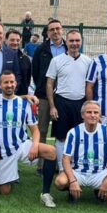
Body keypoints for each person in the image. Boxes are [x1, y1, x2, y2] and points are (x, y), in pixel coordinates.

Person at [0, 71, 58, 207]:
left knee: (51, 151)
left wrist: (35, 145)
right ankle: (5, 173)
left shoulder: (24, 104)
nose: (9, 85)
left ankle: (46, 193)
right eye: (6, 82)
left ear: (16, 84)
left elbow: (35, 130)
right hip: (2, 151)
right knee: (5, 191)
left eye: (12, 82)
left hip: (22, 145)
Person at [54, 101, 107, 204]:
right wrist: (72, 180)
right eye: (89, 112)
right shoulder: (73, 132)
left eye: (96, 112)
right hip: (78, 172)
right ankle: (73, 191)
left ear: (99, 115)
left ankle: (99, 190)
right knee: (59, 182)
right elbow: (66, 159)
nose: (93, 115)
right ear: (82, 115)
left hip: (100, 173)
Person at [46, 29, 93, 169]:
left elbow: (90, 85)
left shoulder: (88, 61)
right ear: (66, 42)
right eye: (71, 41)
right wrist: (52, 106)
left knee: (80, 137)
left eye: (77, 40)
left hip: (80, 103)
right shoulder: (56, 61)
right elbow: (49, 83)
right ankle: (61, 168)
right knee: (61, 137)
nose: (74, 44)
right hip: (62, 102)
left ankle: (76, 166)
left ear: (81, 42)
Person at [32, 19, 66, 170]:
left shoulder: (69, 47)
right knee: (43, 129)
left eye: (57, 29)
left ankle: (62, 164)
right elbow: (35, 71)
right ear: (47, 33)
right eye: (51, 29)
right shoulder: (41, 49)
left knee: (63, 131)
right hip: (44, 96)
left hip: (64, 96)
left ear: (62, 30)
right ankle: (42, 166)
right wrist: (42, 87)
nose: (55, 32)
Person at [6, 29, 32, 96]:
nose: (15, 43)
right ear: (6, 40)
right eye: (12, 40)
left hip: (21, 96)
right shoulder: (0, 57)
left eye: (18, 40)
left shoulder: (26, 59)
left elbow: (28, 79)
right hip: (3, 96)